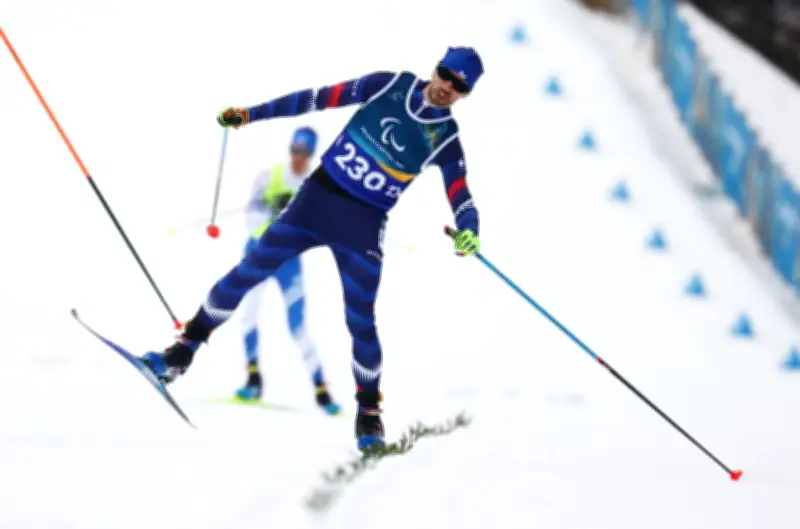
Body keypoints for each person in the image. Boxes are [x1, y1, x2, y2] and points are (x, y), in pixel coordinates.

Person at [141, 46, 484, 451]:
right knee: (249, 270)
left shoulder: (446, 138)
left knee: (361, 321)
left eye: (459, 86)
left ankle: (369, 413)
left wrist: (469, 229)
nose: (447, 87)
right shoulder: (389, 85)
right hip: (315, 201)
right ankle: (181, 353)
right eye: (447, 75)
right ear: (437, 67)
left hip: (364, 223)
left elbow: (460, 192)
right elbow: (316, 99)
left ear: (465, 94)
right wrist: (251, 114)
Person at [236, 126, 341, 415]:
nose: (297, 158)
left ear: (311, 155)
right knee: (248, 315)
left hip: (288, 263)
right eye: (294, 151)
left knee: (297, 327)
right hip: (258, 255)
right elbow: (251, 220)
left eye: (303, 153)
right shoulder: (270, 177)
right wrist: (274, 218)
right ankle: (253, 379)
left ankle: (322, 391)